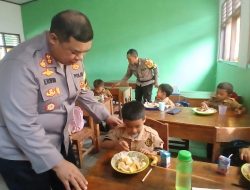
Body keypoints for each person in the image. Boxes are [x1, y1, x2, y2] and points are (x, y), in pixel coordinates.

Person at [0, 10, 122, 190]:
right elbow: (22, 124)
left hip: (59, 141)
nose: (80, 58)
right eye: (75, 52)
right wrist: (58, 163)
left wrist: (105, 115)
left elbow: (80, 90)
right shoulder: (20, 64)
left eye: (85, 52)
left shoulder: (72, 58)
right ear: (54, 39)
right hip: (21, 154)